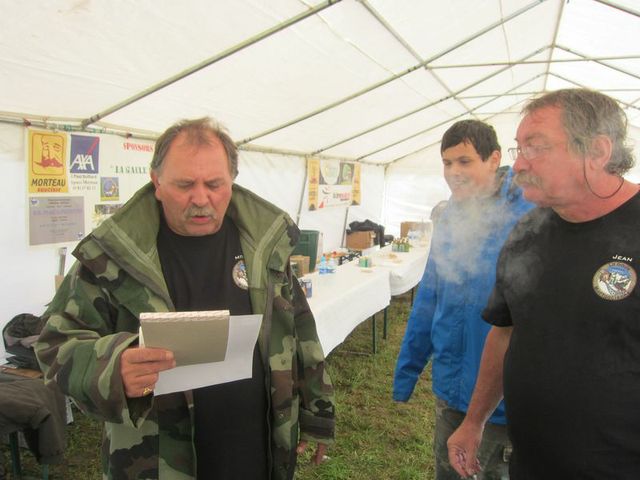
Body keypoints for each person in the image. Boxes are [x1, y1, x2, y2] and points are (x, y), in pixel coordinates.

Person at [35, 117, 335, 480]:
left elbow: (299, 328)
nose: (201, 199)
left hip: (256, 451)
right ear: (157, 182)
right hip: (156, 462)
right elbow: (54, 344)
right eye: (185, 185)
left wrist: (318, 411)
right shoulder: (113, 256)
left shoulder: (264, 245)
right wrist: (112, 368)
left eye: (214, 184)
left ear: (232, 181)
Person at [447, 89, 639, 479]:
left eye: (536, 148)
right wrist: (474, 421)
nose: (519, 165)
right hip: (531, 464)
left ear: (597, 151)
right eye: (520, 149)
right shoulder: (528, 232)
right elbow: (505, 332)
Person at [393, 119, 533, 479]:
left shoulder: (530, 214)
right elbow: (429, 294)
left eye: (464, 161)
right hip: (451, 385)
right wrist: (407, 371)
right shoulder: (451, 215)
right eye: (447, 163)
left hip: (500, 400)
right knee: (449, 470)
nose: (453, 172)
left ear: (494, 159)